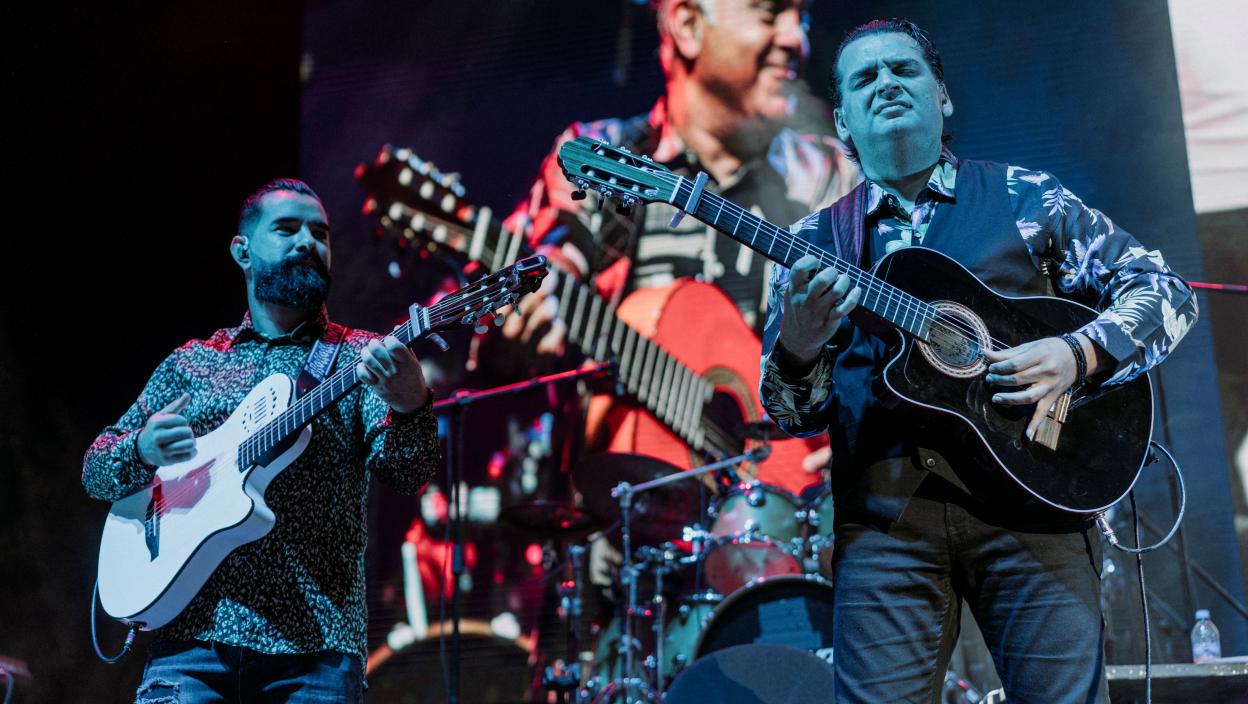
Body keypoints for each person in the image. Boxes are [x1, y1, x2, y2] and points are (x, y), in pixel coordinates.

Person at [759, 19, 1197, 703]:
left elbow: (1164, 291)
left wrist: (1077, 352)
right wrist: (799, 345)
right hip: (885, 528)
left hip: (1036, 498)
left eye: (904, 69)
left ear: (943, 96)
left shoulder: (1026, 197)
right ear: (841, 121)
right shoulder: (811, 243)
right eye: (864, 78)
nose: (886, 84)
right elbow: (790, 414)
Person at [82, 179, 441, 703]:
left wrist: (411, 404)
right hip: (190, 646)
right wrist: (141, 449)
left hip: (316, 653)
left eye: (320, 233)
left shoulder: (359, 356)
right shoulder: (193, 362)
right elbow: (95, 469)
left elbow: (408, 473)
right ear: (242, 251)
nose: (308, 243)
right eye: (287, 229)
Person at [499, 0, 858, 490]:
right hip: (618, 511)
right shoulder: (600, 157)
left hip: (791, 512)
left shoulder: (834, 179)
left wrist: (865, 427)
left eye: (804, 18)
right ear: (688, 25)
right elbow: (549, 259)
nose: (798, 39)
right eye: (770, 13)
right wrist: (537, 294)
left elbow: (888, 346)